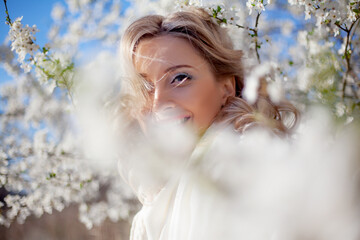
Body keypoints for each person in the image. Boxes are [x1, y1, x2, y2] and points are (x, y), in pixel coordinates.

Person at [117, 6, 298, 240]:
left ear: (226, 87)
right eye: (146, 87)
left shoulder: (241, 169)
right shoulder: (158, 203)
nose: (159, 102)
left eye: (180, 78)